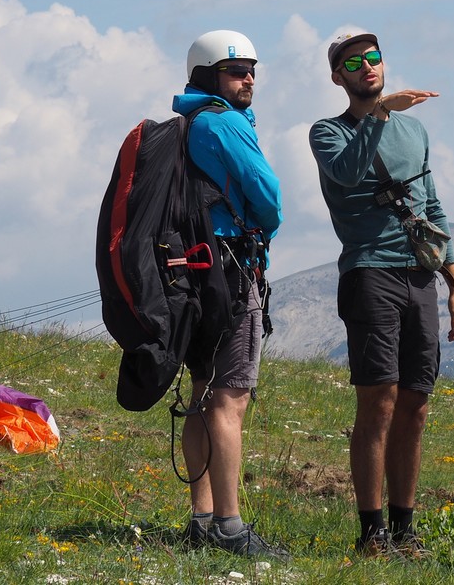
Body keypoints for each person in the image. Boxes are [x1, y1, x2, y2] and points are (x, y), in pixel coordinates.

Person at [308, 30, 454, 558]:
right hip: (369, 272)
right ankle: (371, 531)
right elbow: (350, 170)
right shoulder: (326, 133)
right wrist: (378, 116)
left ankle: (405, 528)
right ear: (339, 77)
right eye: (353, 62)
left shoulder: (414, 129)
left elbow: (432, 207)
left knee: (416, 404)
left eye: (373, 57)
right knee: (378, 402)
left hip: (420, 275)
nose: (367, 66)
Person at [174, 29, 286, 559]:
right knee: (230, 397)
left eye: (251, 70)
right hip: (233, 270)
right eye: (236, 70)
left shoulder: (187, 125)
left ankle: (201, 520)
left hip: (195, 273)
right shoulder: (225, 124)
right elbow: (269, 199)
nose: (249, 79)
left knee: (201, 393)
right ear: (208, 75)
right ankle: (230, 526)